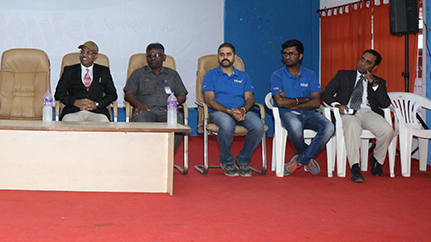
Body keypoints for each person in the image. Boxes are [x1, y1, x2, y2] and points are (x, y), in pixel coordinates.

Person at [321, 49, 394, 183]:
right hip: (348, 112)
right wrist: (338, 105)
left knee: (387, 130)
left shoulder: (379, 82)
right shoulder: (343, 75)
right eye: (362, 59)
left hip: (367, 112)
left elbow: (384, 103)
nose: (363, 63)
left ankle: (377, 160)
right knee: (352, 125)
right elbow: (326, 94)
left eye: (368, 62)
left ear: (374, 67)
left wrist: (374, 84)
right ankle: (355, 166)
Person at [271, 39, 335, 177]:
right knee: (295, 127)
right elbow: (280, 102)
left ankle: (300, 160)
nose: (288, 57)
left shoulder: (310, 74)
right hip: (287, 113)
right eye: (285, 54)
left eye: (292, 53)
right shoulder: (277, 75)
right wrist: (302, 100)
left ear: (300, 56)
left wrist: (290, 101)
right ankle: (306, 158)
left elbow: (316, 102)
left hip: (310, 114)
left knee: (329, 127)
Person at [201, 42, 264, 177]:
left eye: (228, 54)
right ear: (218, 57)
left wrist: (243, 110)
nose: (225, 57)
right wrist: (229, 111)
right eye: (222, 54)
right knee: (227, 125)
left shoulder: (243, 76)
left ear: (235, 57)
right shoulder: (210, 75)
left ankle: (242, 160)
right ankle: (227, 161)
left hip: (241, 111)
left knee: (259, 126)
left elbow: (250, 98)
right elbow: (210, 100)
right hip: (219, 112)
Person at [123, 42, 188, 149]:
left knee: (177, 124)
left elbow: (182, 94)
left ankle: (168, 155)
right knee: (140, 121)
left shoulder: (172, 75)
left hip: (167, 111)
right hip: (145, 111)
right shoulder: (138, 73)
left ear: (164, 57)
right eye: (150, 56)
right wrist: (138, 104)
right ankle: (145, 155)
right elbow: (128, 94)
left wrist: (174, 104)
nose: (152, 58)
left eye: (156, 55)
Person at [55, 41, 117, 122]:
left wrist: (97, 104)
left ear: (96, 56)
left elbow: (112, 94)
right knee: (68, 123)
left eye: (89, 53)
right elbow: (59, 94)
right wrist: (75, 102)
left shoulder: (103, 71)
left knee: (103, 123)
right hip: (73, 112)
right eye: (82, 52)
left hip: (97, 112)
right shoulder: (69, 70)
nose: (84, 55)